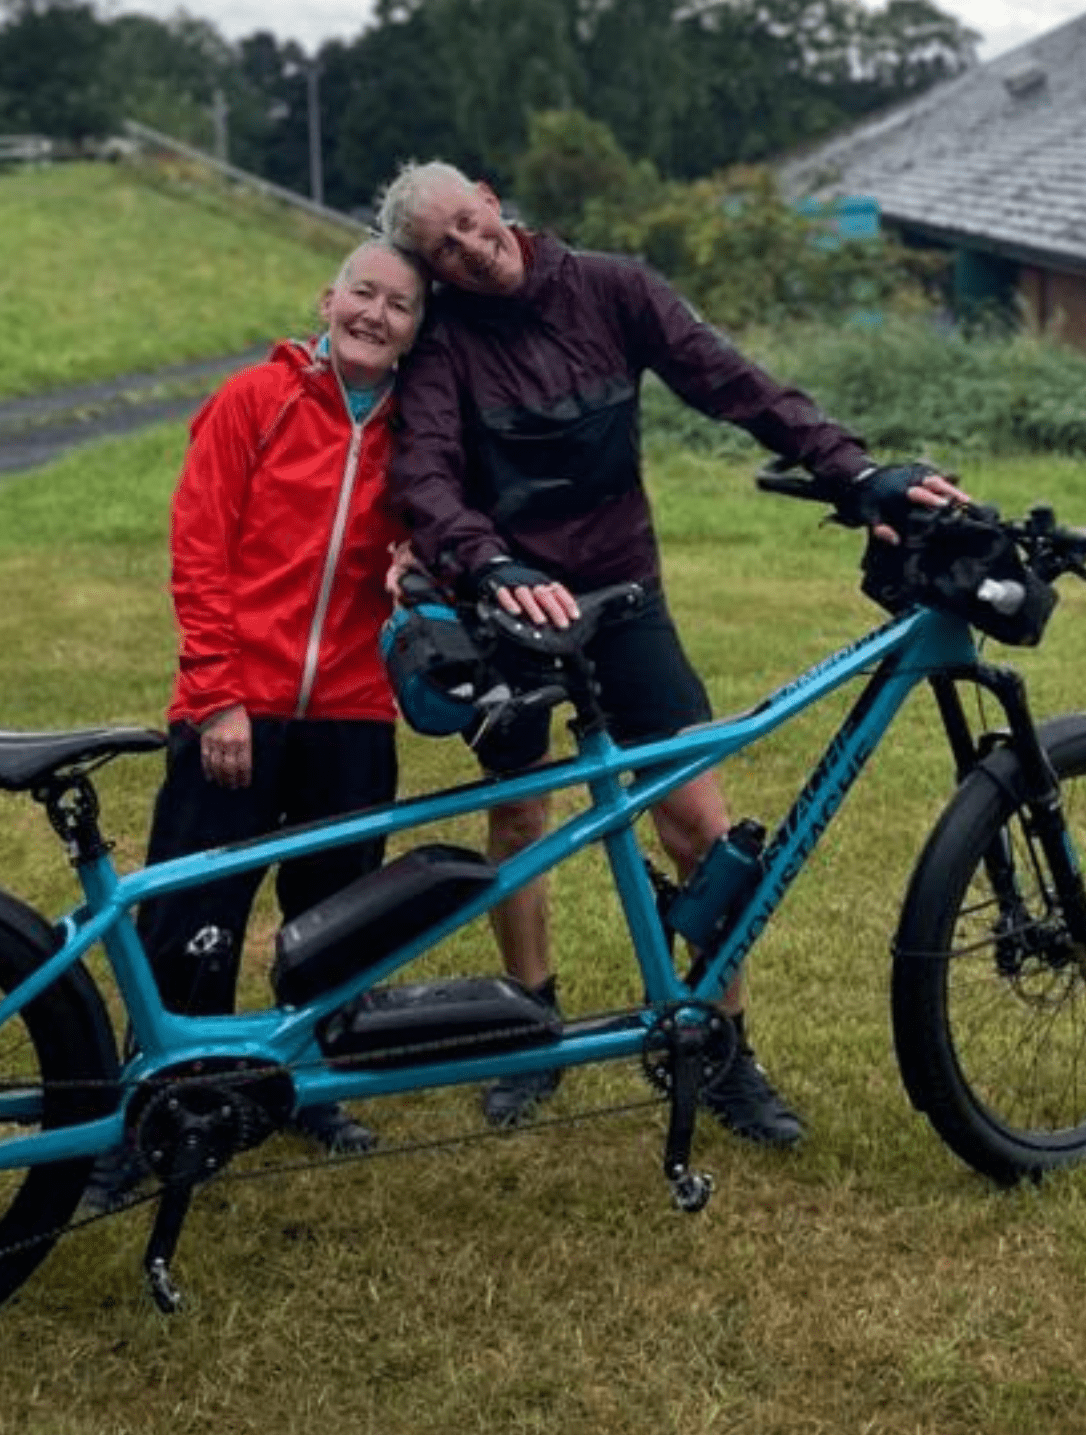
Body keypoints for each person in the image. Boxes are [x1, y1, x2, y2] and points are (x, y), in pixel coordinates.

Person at [377, 160, 965, 1148]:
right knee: (519, 818)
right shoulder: (443, 342)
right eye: (446, 248)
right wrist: (486, 563)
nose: (473, 250)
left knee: (698, 825)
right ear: (430, 266)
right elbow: (424, 476)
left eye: (472, 223)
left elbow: (734, 384)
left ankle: (721, 1045)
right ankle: (531, 1027)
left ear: (491, 199)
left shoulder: (614, 289)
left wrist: (853, 470)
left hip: (622, 599)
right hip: (508, 608)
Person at [137, 236, 428, 1157]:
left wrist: (423, 560)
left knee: (337, 911)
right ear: (327, 298)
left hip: (353, 709)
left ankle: (309, 1082)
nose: (376, 315)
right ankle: (168, 1094)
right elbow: (200, 549)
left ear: (416, 329)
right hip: (241, 704)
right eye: (364, 293)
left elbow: (442, 538)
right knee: (193, 912)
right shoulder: (254, 401)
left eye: (400, 305)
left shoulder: (419, 433)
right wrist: (218, 696)